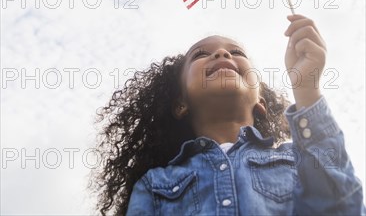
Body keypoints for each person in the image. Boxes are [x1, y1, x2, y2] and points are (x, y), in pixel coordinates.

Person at [90, 14, 365, 215]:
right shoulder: (155, 185)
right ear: (179, 103)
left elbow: (342, 208)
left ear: (260, 102)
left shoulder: (297, 160)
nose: (222, 53)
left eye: (236, 52)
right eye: (200, 55)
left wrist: (306, 89)